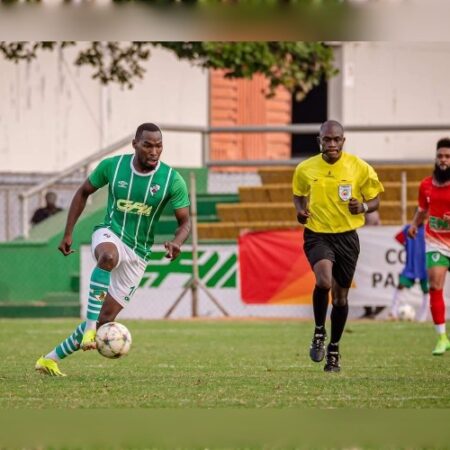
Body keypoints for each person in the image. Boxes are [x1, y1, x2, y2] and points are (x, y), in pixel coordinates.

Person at [35, 123, 191, 376]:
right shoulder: (113, 166)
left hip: (139, 253)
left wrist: (177, 242)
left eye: (159, 145)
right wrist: (68, 232)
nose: (154, 151)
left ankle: (48, 360)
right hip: (110, 232)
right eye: (148, 145)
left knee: (105, 319)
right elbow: (83, 192)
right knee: (107, 256)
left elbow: (185, 222)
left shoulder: (172, 179)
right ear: (135, 144)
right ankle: (88, 328)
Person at [292, 120, 384, 372]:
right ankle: (319, 332)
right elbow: (298, 194)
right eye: (327, 139)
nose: (331, 144)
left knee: (341, 299)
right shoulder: (305, 168)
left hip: (347, 237)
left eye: (336, 139)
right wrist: (300, 211)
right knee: (323, 282)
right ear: (319, 140)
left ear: (343, 141)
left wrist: (363, 207)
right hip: (317, 234)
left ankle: (334, 349)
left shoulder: (359, 167)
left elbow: (375, 199)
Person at [408, 138, 450, 355]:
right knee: (434, 285)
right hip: (436, 243)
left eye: (447, 157)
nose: (443, 160)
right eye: (440, 156)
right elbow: (423, 209)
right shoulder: (425, 185)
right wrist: (415, 224)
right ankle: (442, 337)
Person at [390, 223, 429, 322]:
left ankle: (423, 317)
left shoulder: (428, 228)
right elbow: (398, 238)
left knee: (426, 290)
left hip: (425, 265)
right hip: (410, 266)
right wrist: (407, 245)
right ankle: (393, 313)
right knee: (401, 285)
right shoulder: (408, 228)